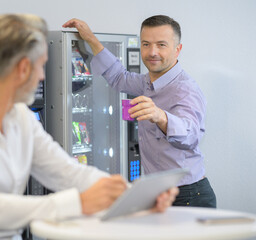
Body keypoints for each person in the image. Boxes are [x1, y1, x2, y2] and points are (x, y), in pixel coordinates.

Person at [0, 14, 178, 240]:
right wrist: (77, 203)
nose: (42, 76)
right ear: (22, 69)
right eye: (41, 67)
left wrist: (136, 197)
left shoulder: (21, 119)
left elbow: (68, 172)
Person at [63, 15, 216, 208]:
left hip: (188, 196)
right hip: (159, 194)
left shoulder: (185, 90)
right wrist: (91, 39)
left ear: (178, 49)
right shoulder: (146, 83)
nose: (152, 52)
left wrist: (160, 116)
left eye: (161, 45)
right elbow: (119, 77)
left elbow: (192, 135)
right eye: (146, 44)